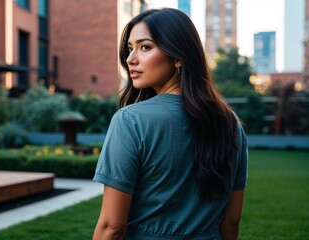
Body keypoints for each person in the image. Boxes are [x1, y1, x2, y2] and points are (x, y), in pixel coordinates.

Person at [92, 8, 248, 240]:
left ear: (178, 57)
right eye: (129, 48)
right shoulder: (230, 124)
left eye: (145, 47)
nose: (130, 59)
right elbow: (231, 221)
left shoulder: (130, 121)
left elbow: (112, 227)